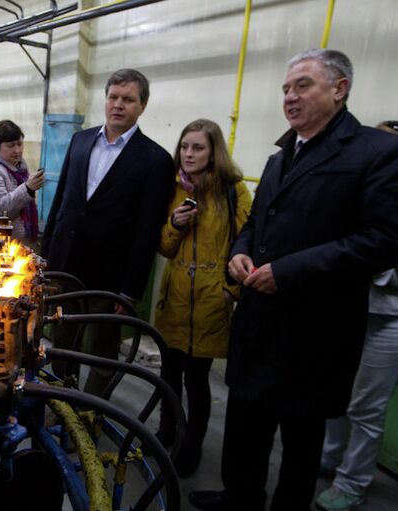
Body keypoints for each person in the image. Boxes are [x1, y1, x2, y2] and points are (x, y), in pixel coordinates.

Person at [190, 49, 398, 511]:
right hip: (259, 321)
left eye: (303, 86)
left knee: (300, 444)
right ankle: (240, 497)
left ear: (339, 88)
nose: (290, 97)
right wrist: (240, 252)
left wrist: (291, 272)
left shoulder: (379, 152)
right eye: (286, 89)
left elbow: (387, 239)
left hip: (317, 331)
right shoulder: (281, 155)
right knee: (244, 429)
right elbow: (256, 224)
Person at [41, 68, 175, 395]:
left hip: (110, 278)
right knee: (61, 342)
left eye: (128, 99)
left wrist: (130, 290)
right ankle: (63, 404)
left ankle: (90, 414)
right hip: (66, 267)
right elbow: (61, 205)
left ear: (142, 106)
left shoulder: (155, 160)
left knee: (102, 351)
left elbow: (147, 231)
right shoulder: (81, 141)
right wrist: (45, 259)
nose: (118, 105)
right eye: (113, 97)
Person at [315, 121, 398, 511]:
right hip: (345, 309)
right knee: (335, 395)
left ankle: (352, 483)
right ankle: (327, 459)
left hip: (391, 317)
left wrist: (382, 266)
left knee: (367, 409)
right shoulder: (355, 194)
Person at [154, 119, 252, 477]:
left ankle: (191, 445)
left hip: (212, 300)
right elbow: (164, 247)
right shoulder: (172, 189)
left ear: (214, 153)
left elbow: (247, 242)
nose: (189, 154)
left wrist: (230, 291)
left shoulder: (233, 190)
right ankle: (166, 430)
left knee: (197, 381)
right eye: (184, 147)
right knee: (168, 373)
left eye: (198, 148)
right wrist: (175, 225)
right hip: (175, 296)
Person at [0, 120, 44, 247]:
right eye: (11, 145)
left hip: (18, 246)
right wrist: (27, 189)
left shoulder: (20, 168)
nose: (17, 150)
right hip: (0, 248)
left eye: (19, 144)